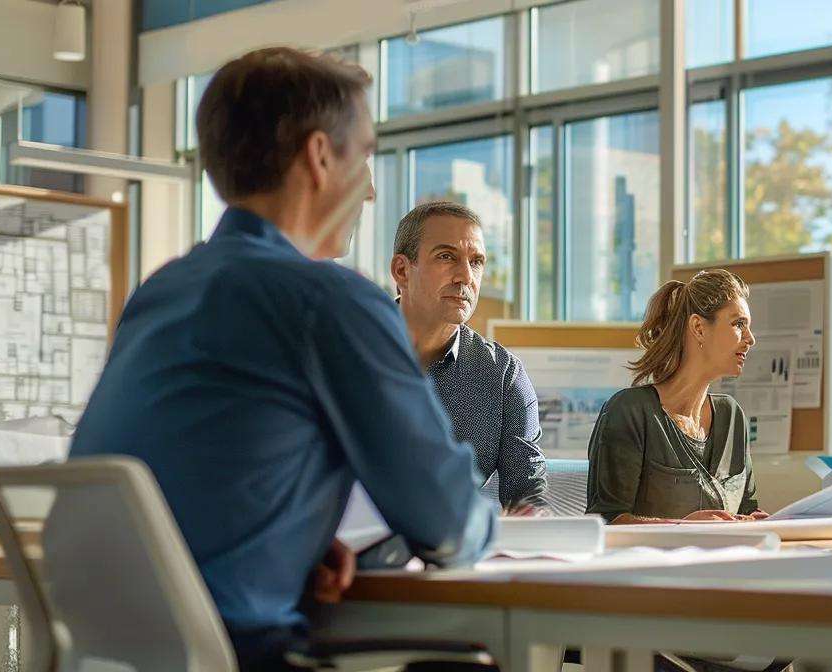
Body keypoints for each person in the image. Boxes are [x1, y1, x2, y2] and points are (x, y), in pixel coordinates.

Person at [70, 47, 497, 671]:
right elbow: (450, 523)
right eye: (367, 156)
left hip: (110, 652)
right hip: (239, 653)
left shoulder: (162, 290)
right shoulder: (330, 301)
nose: (371, 187)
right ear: (321, 157)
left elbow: (195, 469)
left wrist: (296, 541)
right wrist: (489, 527)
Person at [390, 200, 546, 509]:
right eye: (446, 257)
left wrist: (530, 524)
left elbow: (528, 498)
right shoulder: (344, 352)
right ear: (402, 270)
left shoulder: (502, 376)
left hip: (450, 548)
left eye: (476, 262)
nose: (465, 277)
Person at [586, 270, 766, 523]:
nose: (751, 339)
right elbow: (605, 521)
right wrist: (684, 526)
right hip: (649, 563)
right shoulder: (629, 411)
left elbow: (747, 510)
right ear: (698, 328)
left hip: (725, 560)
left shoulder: (731, 415)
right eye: (738, 324)